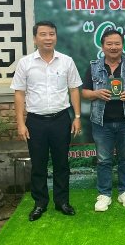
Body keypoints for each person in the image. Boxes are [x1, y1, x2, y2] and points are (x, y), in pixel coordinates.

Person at [11, 21, 82, 221]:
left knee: (62, 164)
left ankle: (62, 201)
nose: (48, 38)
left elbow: (74, 89)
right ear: (35, 39)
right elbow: (19, 94)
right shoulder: (25, 63)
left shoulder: (66, 61)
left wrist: (77, 117)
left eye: (51, 34)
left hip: (61, 119)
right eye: (43, 34)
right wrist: (20, 123)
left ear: (56, 37)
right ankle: (40, 203)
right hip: (36, 122)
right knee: (38, 165)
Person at [81, 29, 125, 211]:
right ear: (102, 46)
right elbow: (84, 93)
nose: (113, 47)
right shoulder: (93, 66)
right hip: (101, 121)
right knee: (103, 160)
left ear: (122, 45)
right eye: (109, 44)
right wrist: (96, 93)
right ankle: (104, 194)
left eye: (117, 43)